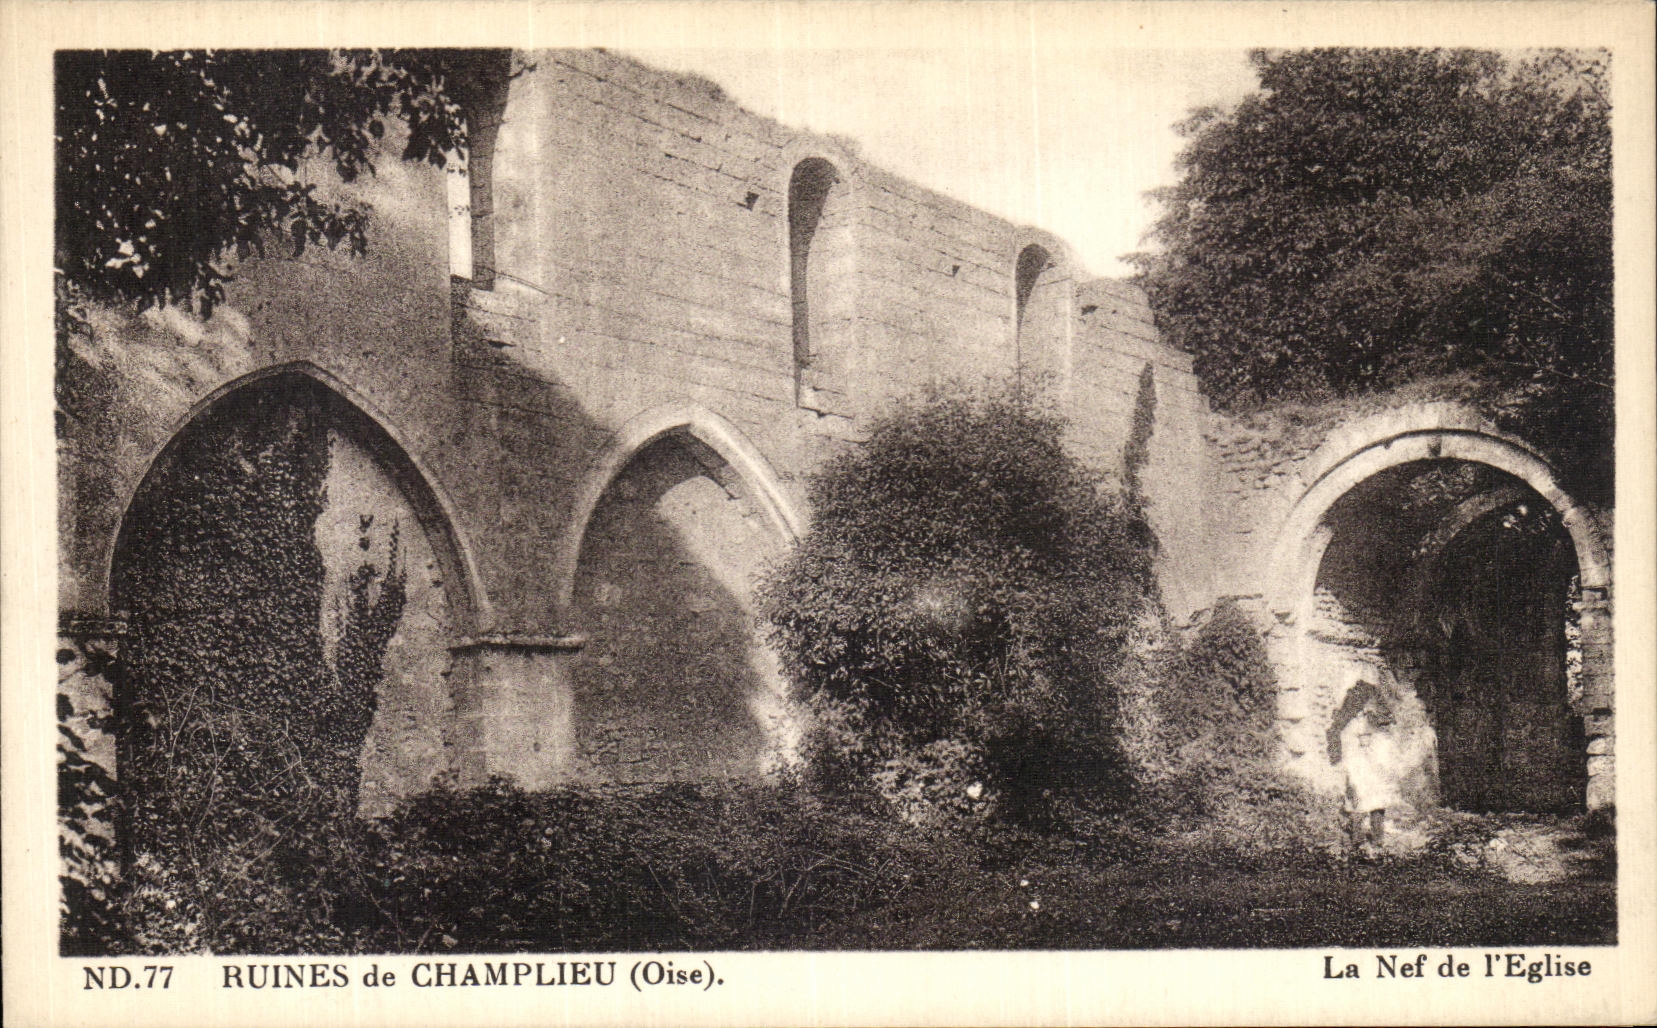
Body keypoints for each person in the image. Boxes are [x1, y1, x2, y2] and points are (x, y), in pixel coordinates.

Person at [1326, 678, 1402, 856]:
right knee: (1358, 799)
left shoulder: (1374, 719)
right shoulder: (1349, 722)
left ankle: (1377, 839)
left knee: (1377, 800)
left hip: (1373, 767)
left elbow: (1386, 728)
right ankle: (1358, 839)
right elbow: (1343, 738)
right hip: (1358, 766)